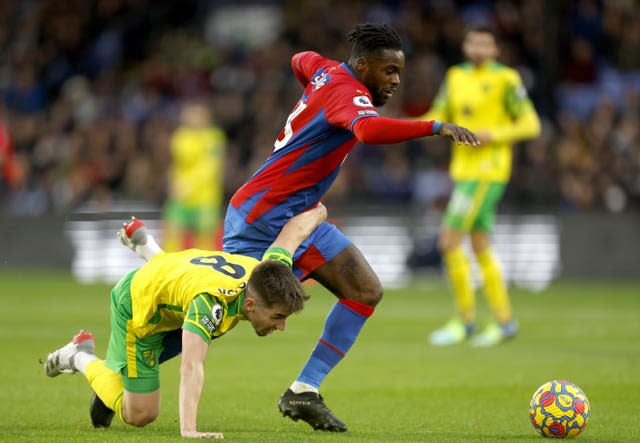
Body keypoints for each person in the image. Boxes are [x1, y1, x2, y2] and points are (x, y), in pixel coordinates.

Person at [222, 23, 480, 432]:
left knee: (364, 290)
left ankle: (304, 390)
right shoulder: (348, 93)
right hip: (260, 216)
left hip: (299, 215)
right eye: (388, 71)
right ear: (362, 65)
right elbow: (369, 129)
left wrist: (315, 87)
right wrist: (433, 126)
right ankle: (127, 363)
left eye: (399, 71)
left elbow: (299, 60)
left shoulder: (326, 70)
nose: (396, 80)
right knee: (222, 310)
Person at [44, 204, 327, 439]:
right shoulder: (211, 303)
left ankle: (147, 248)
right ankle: (79, 355)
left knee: (196, 316)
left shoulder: (267, 271)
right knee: (141, 414)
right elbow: (191, 365)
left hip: (175, 286)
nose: (281, 326)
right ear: (251, 304)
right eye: (278, 317)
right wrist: (189, 430)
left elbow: (292, 233)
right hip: (139, 309)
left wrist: (318, 208)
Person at [418, 26, 541, 347]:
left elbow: (531, 123)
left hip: (487, 172)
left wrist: (492, 134)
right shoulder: (456, 76)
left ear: (496, 49)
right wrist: (409, 127)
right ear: (465, 45)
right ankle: (505, 322)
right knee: (480, 245)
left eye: (486, 43)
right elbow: (439, 113)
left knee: (448, 241)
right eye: (474, 41)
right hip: (464, 171)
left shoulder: (507, 79)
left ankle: (465, 321)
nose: (479, 48)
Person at [163, 101, 227, 251]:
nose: (192, 119)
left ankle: (203, 270)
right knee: (172, 232)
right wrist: (173, 184)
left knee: (204, 238)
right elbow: (177, 165)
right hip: (181, 196)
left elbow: (211, 168)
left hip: (206, 197)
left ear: (206, 117)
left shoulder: (214, 137)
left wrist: (188, 184)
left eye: (196, 115)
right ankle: (169, 266)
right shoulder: (180, 137)